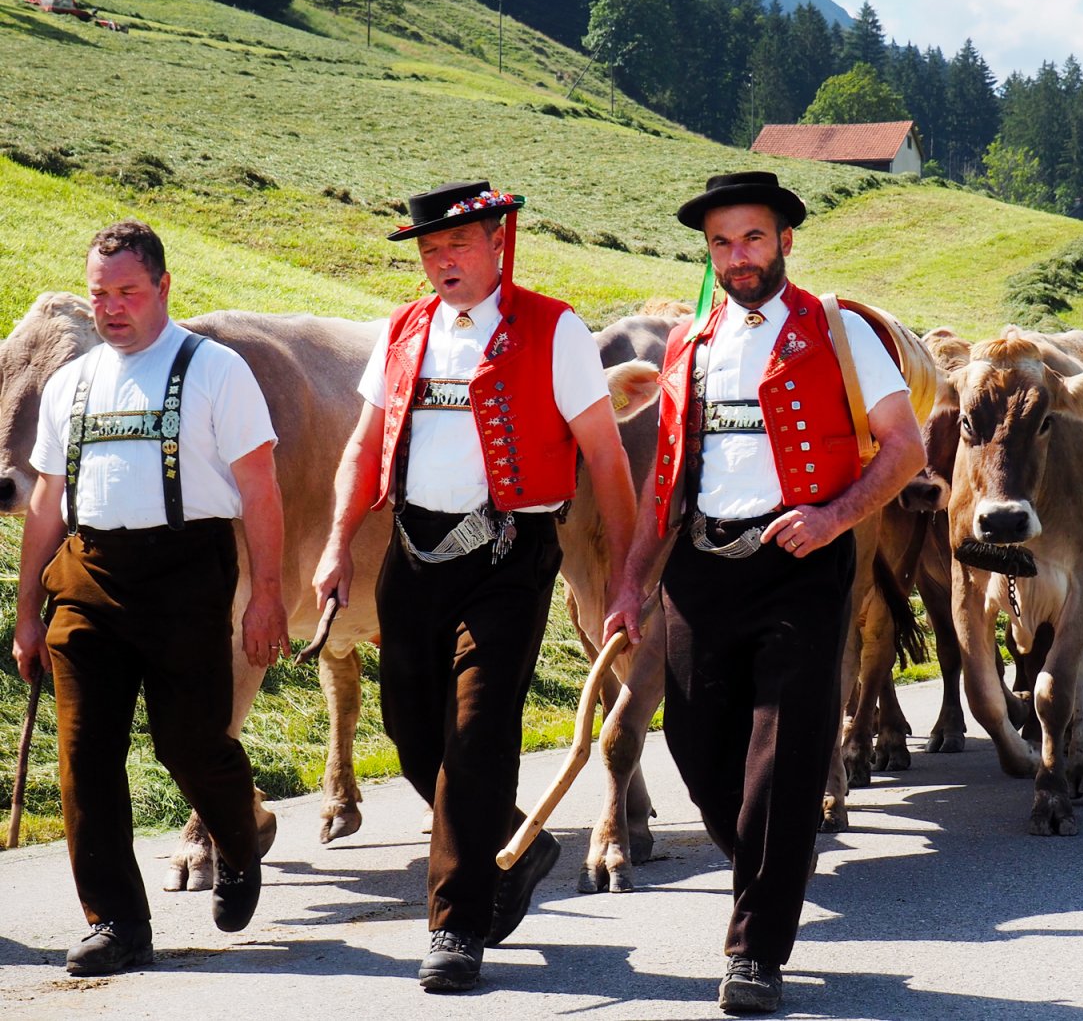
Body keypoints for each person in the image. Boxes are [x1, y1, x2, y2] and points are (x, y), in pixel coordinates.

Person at [604, 172, 925, 1015]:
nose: (737, 257)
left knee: (782, 762)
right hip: (702, 565)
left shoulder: (839, 329)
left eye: (752, 238)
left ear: (785, 240)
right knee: (698, 751)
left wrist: (836, 517)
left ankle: (755, 951)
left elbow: (905, 447)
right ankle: (771, 866)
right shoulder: (689, 342)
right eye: (721, 243)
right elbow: (664, 482)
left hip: (801, 559)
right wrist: (633, 582)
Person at [311, 180, 636, 992]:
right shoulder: (405, 329)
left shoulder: (554, 329)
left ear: (498, 241)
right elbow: (361, 446)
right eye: (428, 251)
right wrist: (336, 542)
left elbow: (606, 459)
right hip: (412, 555)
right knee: (410, 732)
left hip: (510, 555)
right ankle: (517, 841)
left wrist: (628, 577)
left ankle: (455, 928)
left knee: (477, 730)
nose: (440, 262)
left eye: (456, 246)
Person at [11, 220, 288, 976]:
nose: (112, 307)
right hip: (88, 573)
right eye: (101, 293)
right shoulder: (72, 383)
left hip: (186, 572)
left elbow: (260, 492)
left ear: (164, 287)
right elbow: (45, 503)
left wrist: (267, 594)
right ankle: (117, 924)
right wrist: (28, 609)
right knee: (84, 755)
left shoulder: (216, 370)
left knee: (191, 743)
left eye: (128, 291)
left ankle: (237, 841)